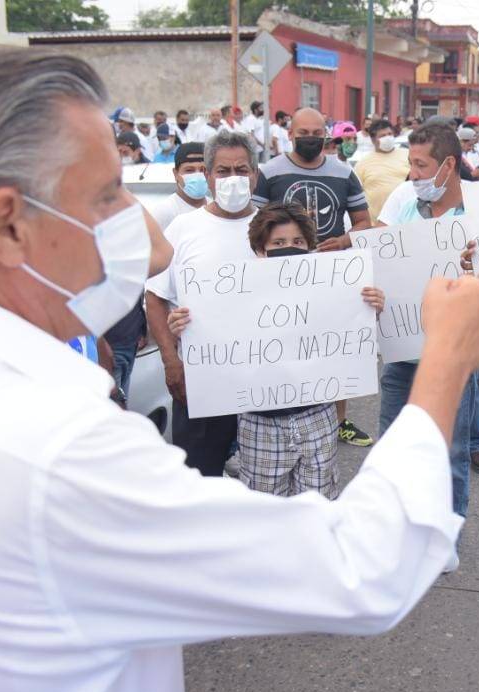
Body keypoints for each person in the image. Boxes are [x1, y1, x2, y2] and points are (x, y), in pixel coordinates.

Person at [0, 47, 479, 692]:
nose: (144, 231)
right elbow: (366, 565)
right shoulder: (55, 452)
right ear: (8, 226)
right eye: (107, 194)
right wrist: (445, 357)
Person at [166, 202, 385, 497]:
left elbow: (350, 333)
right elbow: (213, 336)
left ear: (309, 246)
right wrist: (183, 327)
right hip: (261, 424)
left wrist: (370, 309)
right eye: (278, 243)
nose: (289, 248)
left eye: (298, 242)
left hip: (317, 417)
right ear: (260, 249)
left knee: (318, 506)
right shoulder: (234, 296)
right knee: (266, 510)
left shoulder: (331, 287)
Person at [377, 121, 479, 534]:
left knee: (449, 451)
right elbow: (381, 255)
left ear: (448, 165)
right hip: (402, 352)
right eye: (411, 164)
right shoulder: (407, 207)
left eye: (421, 165)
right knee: (391, 446)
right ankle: (395, 527)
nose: (413, 174)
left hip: (452, 356)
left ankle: (443, 538)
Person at [252, 108, 375, 447]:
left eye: (316, 133)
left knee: (333, 349)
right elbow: (253, 222)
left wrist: (345, 240)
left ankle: (338, 421)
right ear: (290, 134)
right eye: (303, 132)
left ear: (326, 135)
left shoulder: (344, 173)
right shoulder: (269, 172)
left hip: (330, 278)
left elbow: (363, 221)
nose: (310, 138)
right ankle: (286, 419)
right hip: (279, 280)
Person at [145, 132, 258, 476]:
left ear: (255, 174)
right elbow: (155, 297)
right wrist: (171, 363)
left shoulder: (275, 227)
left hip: (265, 385)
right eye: (223, 171)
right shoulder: (184, 228)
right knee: (199, 476)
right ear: (208, 176)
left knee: (264, 481)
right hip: (201, 382)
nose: (233, 179)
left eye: (241, 170)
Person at [354, 119, 409, 218]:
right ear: (373, 140)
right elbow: (356, 195)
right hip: (377, 223)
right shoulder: (362, 164)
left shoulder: (408, 155)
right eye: (382, 136)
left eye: (389, 134)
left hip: (407, 219)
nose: (387, 138)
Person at [148, 142, 207, 232]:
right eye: (189, 170)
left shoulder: (216, 207)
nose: (198, 175)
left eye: (203, 170)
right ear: (176, 174)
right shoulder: (164, 212)